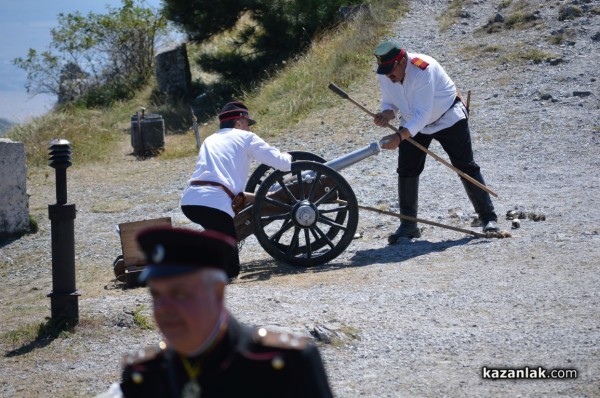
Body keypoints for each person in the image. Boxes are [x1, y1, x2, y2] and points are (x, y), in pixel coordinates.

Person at [100, 226, 334, 398]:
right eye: (156, 295)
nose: (165, 308)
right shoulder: (144, 374)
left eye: (180, 293)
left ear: (218, 292)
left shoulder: (283, 364)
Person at [372, 41, 499, 244]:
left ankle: (488, 219)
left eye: (391, 70)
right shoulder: (385, 73)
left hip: (447, 117)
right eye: (384, 71)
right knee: (407, 169)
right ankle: (408, 225)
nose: (388, 76)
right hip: (413, 122)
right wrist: (387, 113)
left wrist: (398, 137)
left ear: (402, 61)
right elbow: (390, 102)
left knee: (465, 166)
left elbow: (423, 114)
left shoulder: (424, 69)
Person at [180, 101, 292, 278]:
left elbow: (220, 184)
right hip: (214, 204)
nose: (249, 128)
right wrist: (288, 156)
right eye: (248, 124)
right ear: (239, 123)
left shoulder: (211, 140)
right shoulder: (245, 137)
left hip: (190, 201)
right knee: (230, 270)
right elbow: (282, 164)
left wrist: (265, 196)